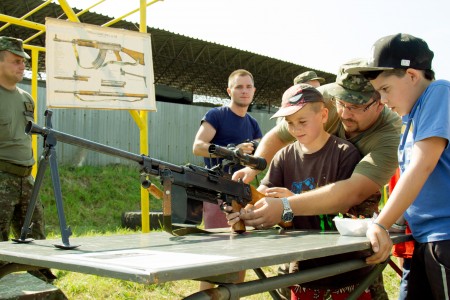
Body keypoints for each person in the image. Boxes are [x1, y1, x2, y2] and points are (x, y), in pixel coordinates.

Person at [227, 58, 402, 299]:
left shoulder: (388, 136)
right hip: (302, 252)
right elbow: (277, 136)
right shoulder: (321, 99)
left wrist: (286, 206)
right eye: (343, 104)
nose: (346, 114)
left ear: (380, 103)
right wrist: (253, 171)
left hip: (347, 250)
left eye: (357, 107)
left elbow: (353, 193)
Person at [346, 33, 450, 299]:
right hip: (424, 239)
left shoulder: (439, 93)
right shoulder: (411, 118)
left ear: (413, 75)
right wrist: (387, 222)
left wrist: (381, 224)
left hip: (444, 237)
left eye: (386, 89)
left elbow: (422, 166)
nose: (382, 100)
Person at [259, 83, 373, 299]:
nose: (295, 129)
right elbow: (263, 193)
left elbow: (345, 206)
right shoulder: (283, 157)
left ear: (323, 115)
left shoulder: (345, 154)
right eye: (290, 123)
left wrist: (291, 203)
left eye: (302, 121)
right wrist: (249, 205)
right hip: (303, 271)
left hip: (345, 271)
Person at [192, 68, 262, 290]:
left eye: (248, 87)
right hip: (216, 189)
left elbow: (260, 159)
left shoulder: (252, 123)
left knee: (239, 253)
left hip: (242, 191)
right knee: (215, 257)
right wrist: (232, 151)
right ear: (229, 90)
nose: (244, 91)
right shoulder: (216, 115)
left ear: (254, 91)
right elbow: (198, 147)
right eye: (239, 87)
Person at [0, 36, 55, 282]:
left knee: (36, 236)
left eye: (23, 62)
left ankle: (41, 284)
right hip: (1, 177)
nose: (22, 66)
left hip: (26, 177)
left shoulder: (26, 98)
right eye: (15, 61)